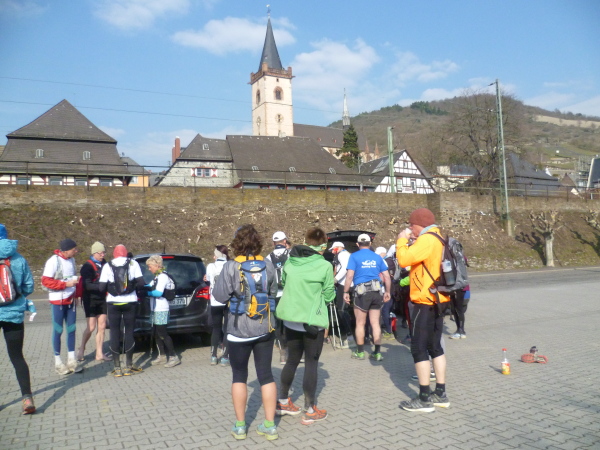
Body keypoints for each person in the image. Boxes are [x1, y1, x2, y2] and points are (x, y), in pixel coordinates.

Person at [212, 224, 279, 441]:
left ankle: (240, 427)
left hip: (238, 329)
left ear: (236, 243)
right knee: (266, 375)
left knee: (239, 376)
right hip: (264, 327)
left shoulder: (231, 267)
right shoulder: (268, 265)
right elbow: (273, 293)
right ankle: (270, 426)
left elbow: (219, 296)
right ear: (258, 242)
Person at [275, 227, 335, 426]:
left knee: (292, 360)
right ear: (323, 246)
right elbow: (329, 294)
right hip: (312, 321)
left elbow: (284, 282)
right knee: (311, 363)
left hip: (291, 319)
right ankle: (310, 409)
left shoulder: (290, 261)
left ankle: (283, 401)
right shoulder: (325, 265)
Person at [396, 207, 451, 412]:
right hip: (438, 299)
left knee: (418, 348)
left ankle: (424, 398)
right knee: (435, 347)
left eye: (411, 225)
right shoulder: (438, 238)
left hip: (424, 300)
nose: (410, 229)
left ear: (420, 224)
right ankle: (440, 393)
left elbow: (403, 260)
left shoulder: (426, 240)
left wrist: (401, 241)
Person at [0, 224, 36, 414]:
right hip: (14, 314)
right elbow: (29, 286)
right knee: (17, 357)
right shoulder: (18, 258)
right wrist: (18, 296)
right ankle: (27, 398)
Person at [99, 244, 145, 377]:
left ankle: (117, 367)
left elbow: (101, 288)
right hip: (130, 302)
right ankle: (128, 365)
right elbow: (141, 283)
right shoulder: (133, 263)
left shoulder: (107, 265)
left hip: (113, 303)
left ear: (114, 253)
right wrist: (131, 288)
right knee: (129, 332)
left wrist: (112, 289)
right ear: (125, 253)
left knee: (114, 332)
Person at [343, 234, 391, 361]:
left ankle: (360, 352)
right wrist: (387, 291)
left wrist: (346, 291)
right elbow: (387, 276)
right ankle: (377, 353)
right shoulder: (377, 257)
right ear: (370, 244)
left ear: (357, 244)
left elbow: (349, 276)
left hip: (361, 293)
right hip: (376, 292)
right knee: (375, 323)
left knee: (360, 323)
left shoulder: (354, 256)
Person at [42, 238, 82, 375]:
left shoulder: (72, 260)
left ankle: (72, 360)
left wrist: (76, 294)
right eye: (74, 249)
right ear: (65, 250)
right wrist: (64, 285)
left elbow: (73, 278)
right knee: (58, 330)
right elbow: (46, 281)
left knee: (72, 329)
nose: (76, 251)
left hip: (71, 300)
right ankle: (58, 362)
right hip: (57, 301)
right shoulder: (53, 261)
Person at [76, 242, 110, 362]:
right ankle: (81, 349)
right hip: (90, 299)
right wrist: (102, 287)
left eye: (104, 252)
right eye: (100, 253)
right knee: (91, 327)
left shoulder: (105, 264)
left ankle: (99, 353)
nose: (103, 255)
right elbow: (87, 285)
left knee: (102, 326)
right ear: (94, 253)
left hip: (102, 299)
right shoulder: (87, 266)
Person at [145, 254, 181, 368]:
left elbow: (158, 293)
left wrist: (146, 293)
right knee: (156, 333)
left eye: (150, 266)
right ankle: (162, 355)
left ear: (157, 265)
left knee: (163, 333)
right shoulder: (157, 277)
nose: (149, 269)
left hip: (161, 309)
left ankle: (173, 356)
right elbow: (148, 286)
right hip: (155, 309)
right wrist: (140, 287)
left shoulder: (163, 277)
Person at [266, 231, 290, 364]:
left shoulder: (268, 257)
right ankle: (297, 352)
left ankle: (283, 352)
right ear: (285, 241)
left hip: (275, 294)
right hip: (289, 293)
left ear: (273, 243)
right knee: (291, 321)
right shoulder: (291, 254)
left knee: (278, 323)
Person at [205, 245, 230, 366]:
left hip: (215, 301)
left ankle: (214, 356)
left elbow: (208, 280)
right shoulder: (230, 265)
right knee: (227, 328)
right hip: (228, 300)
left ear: (216, 255)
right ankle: (225, 357)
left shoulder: (210, 266)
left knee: (216, 328)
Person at [331, 241, 353, 349]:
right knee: (347, 311)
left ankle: (349, 338)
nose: (332, 251)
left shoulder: (342, 254)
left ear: (338, 247)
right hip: (348, 284)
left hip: (344, 285)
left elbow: (345, 268)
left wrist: (335, 279)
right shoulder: (346, 254)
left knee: (342, 310)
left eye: (333, 249)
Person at [375, 246, 395, 340]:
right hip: (389, 289)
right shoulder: (389, 260)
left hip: (386, 290)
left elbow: (385, 278)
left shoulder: (385, 261)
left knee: (385, 311)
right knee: (386, 311)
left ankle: (389, 332)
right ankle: (388, 330)